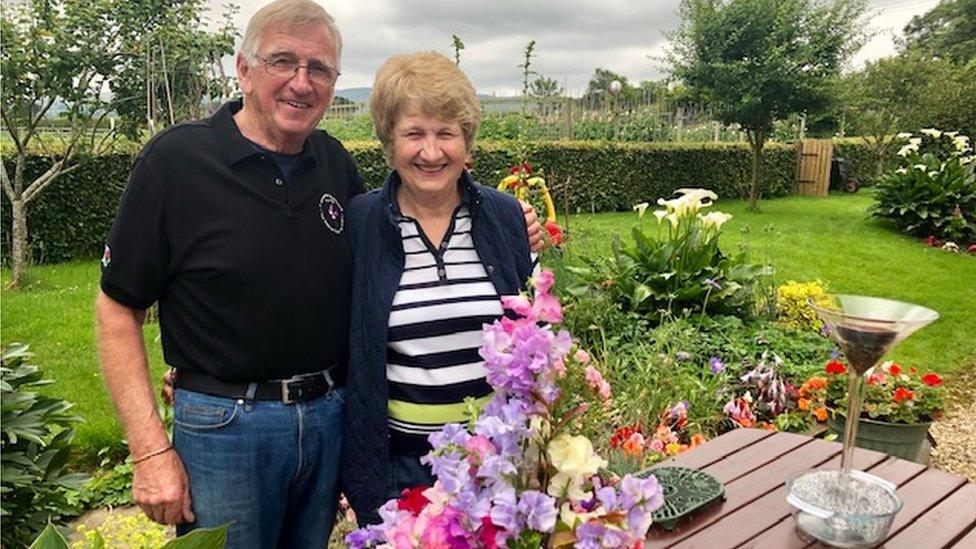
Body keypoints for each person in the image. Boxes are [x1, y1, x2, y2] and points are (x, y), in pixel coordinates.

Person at [97, 1, 541, 545]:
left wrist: (510, 221)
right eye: (283, 61)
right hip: (226, 429)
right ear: (244, 68)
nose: (301, 83)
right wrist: (149, 450)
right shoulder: (176, 162)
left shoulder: (332, 165)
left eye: (320, 70)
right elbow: (118, 306)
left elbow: (387, 252)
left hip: (328, 419)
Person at [341, 51, 535, 525]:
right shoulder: (361, 223)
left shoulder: (505, 215)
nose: (431, 152)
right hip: (399, 469)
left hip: (497, 462)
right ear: (390, 141)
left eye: (446, 133)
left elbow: (530, 333)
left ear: (466, 140)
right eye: (414, 133)